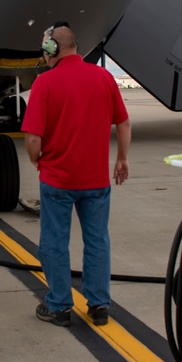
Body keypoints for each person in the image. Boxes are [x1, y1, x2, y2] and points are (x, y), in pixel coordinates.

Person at [22, 23, 131, 327]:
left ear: (51, 50)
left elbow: (32, 138)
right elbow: (123, 123)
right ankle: (99, 306)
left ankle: (59, 307)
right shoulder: (103, 77)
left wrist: (38, 161)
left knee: (54, 242)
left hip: (58, 179)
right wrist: (122, 159)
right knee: (97, 241)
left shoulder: (45, 83)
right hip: (96, 180)